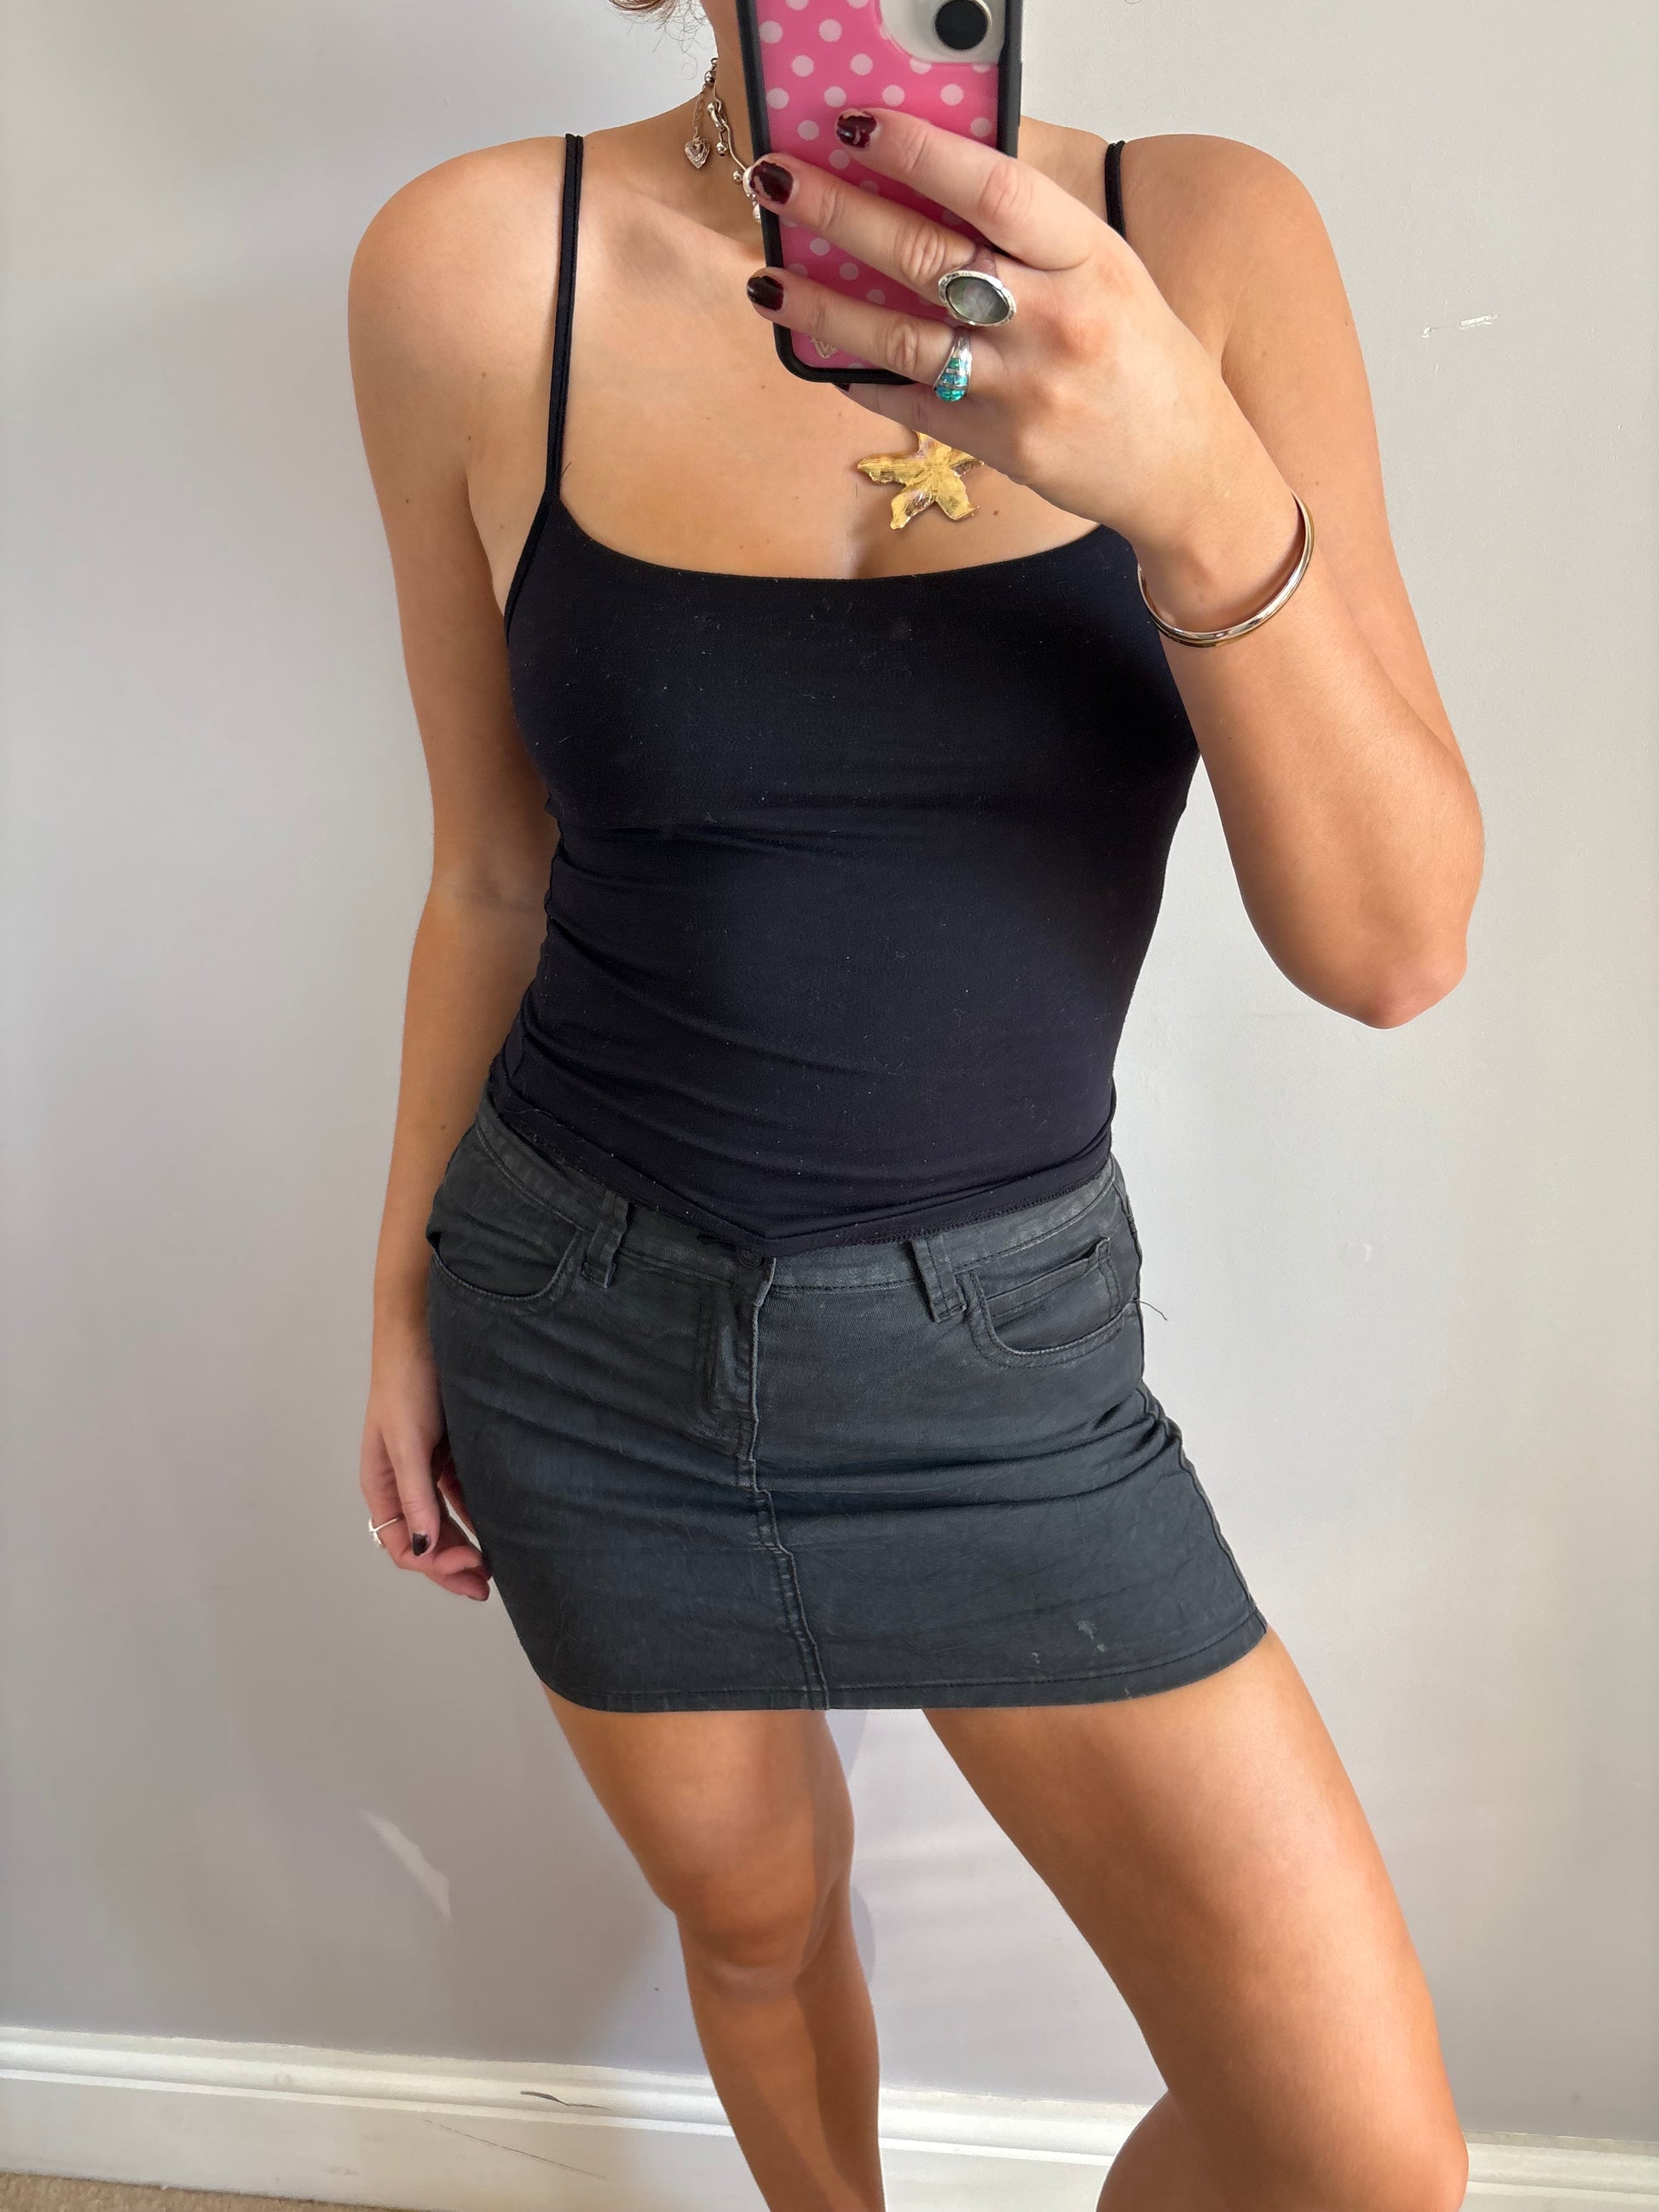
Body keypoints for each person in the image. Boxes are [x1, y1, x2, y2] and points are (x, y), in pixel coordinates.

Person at [347, 0, 1483, 2202]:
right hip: (579, 1322)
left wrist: (1188, 474)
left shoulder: (1204, 240)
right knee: (754, 1927)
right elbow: (487, 867)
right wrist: (400, 1296)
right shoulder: (477, 267)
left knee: (1356, 2160)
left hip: (1007, 1367)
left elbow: (1390, 946)